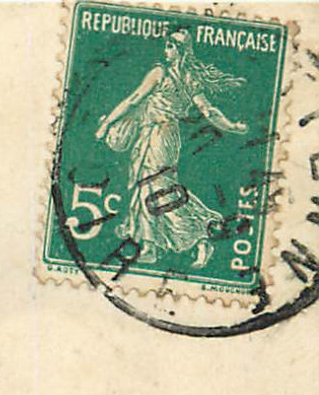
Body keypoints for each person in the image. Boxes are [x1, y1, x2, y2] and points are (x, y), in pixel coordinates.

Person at [93, 28, 249, 267]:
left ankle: (184, 236)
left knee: (153, 186)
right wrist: (232, 126)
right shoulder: (190, 78)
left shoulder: (160, 72)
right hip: (167, 135)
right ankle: (157, 235)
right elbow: (209, 111)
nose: (166, 49)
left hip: (156, 135)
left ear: (182, 51)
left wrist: (107, 123)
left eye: (171, 45)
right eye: (166, 45)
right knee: (155, 185)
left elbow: (134, 98)